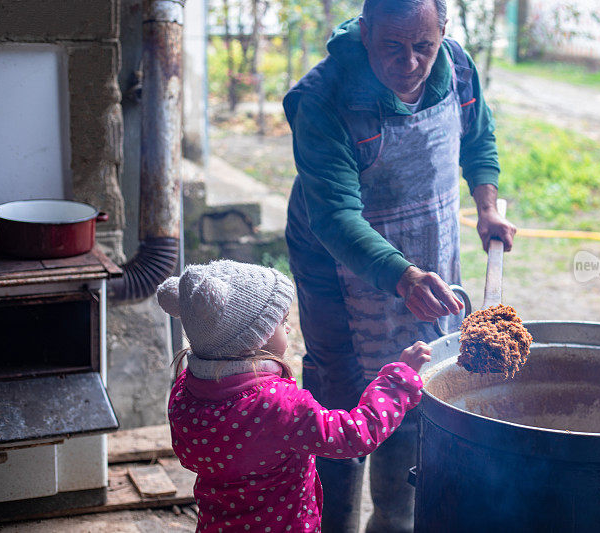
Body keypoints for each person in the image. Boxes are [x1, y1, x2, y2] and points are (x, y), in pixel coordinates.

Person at [284, 0, 516, 530]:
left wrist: (486, 206)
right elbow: (336, 216)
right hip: (336, 262)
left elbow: (478, 136)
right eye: (393, 45)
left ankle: (394, 519)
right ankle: (330, 519)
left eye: (423, 47)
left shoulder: (455, 65)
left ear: (442, 34)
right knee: (342, 389)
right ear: (365, 33)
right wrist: (401, 276)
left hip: (425, 240)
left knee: (421, 371)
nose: (410, 61)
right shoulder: (322, 99)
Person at [158, 260, 432, 533]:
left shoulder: (184, 392)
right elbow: (354, 435)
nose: (288, 328)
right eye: (281, 322)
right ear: (253, 339)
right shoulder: (277, 405)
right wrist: (398, 381)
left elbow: (187, 456)